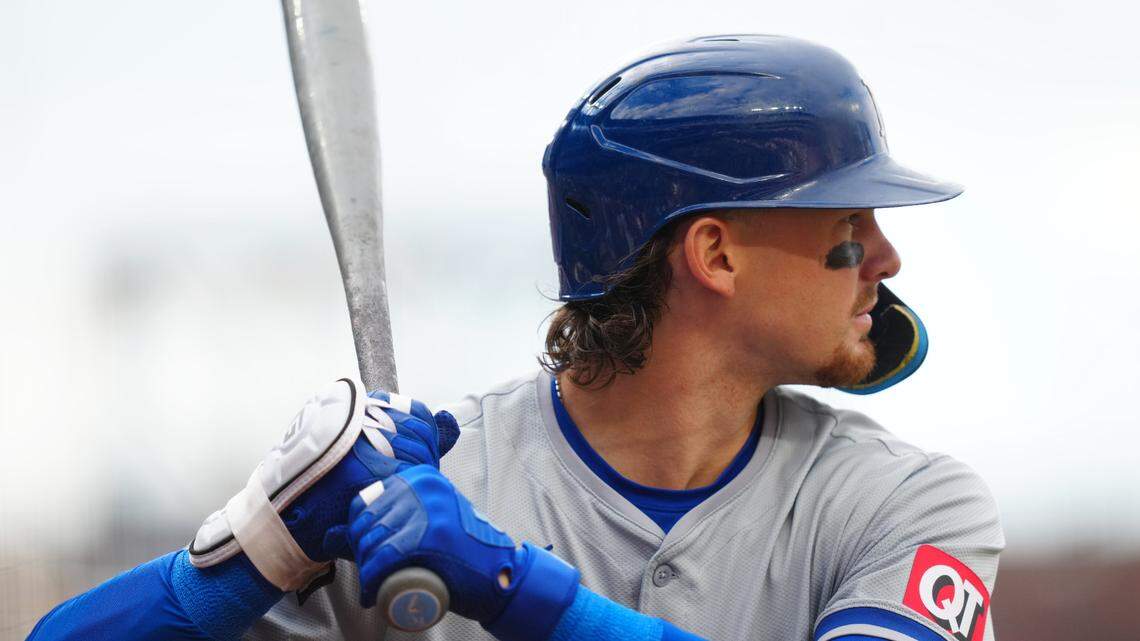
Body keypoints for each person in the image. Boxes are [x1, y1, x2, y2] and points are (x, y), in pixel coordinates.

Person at [29, 35, 1003, 641]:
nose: (886, 258)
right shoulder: (419, 492)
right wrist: (260, 542)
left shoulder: (909, 503)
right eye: (847, 227)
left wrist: (512, 586)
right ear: (715, 252)